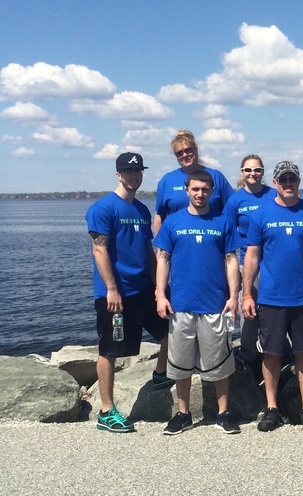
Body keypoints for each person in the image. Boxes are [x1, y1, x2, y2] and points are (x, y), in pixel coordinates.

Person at [242, 161, 303, 432]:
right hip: (271, 298)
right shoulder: (261, 214)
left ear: (298, 181)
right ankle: (272, 408)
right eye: (283, 180)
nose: (288, 184)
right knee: (271, 354)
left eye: (293, 179)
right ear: (275, 182)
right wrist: (247, 294)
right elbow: (252, 256)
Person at [86, 152, 173, 433]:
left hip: (144, 289)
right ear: (118, 174)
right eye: (128, 171)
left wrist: (159, 287)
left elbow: (147, 251)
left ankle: (160, 375)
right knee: (110, 350)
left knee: (171, 330)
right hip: (116, 294)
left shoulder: (141, 210)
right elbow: (99, 249)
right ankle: (106, 411)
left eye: (138, 171)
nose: (134, 176)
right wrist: (111, 289)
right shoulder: (103, 208)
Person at [155, 169, 241, 435]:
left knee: (220, 363)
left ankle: (223, 413)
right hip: (181, 304)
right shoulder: (173, 222)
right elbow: (163, 259)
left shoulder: (223, 221)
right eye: (195, 189)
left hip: (214, 304)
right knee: (180, 363)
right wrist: (160, 294)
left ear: (211, 191)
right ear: (187, 190)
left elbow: (231, 259)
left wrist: (234, 296)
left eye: (205, 189)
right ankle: (183, 414)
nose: (200, 194)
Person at [222, 155, 275, 366]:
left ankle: (277, 347)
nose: (252, 174)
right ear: (241, 173)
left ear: (263, 172)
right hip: (247, 260)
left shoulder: (273, 194)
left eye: (257, 170)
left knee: (274, 306)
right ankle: (247, 351)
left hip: (272, 260)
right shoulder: (236, 200)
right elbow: (226, 230)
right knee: (249, 306)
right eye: (248, 170)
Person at [154, 130, 233, 234]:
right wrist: (160, 247)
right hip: (177, 244)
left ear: (196, 149)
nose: (185, 155)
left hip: (213, 241)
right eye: (179, 153)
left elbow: (232, 210)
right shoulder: (167, 181)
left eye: (188, 150)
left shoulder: (216, 177)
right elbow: (159, 216)